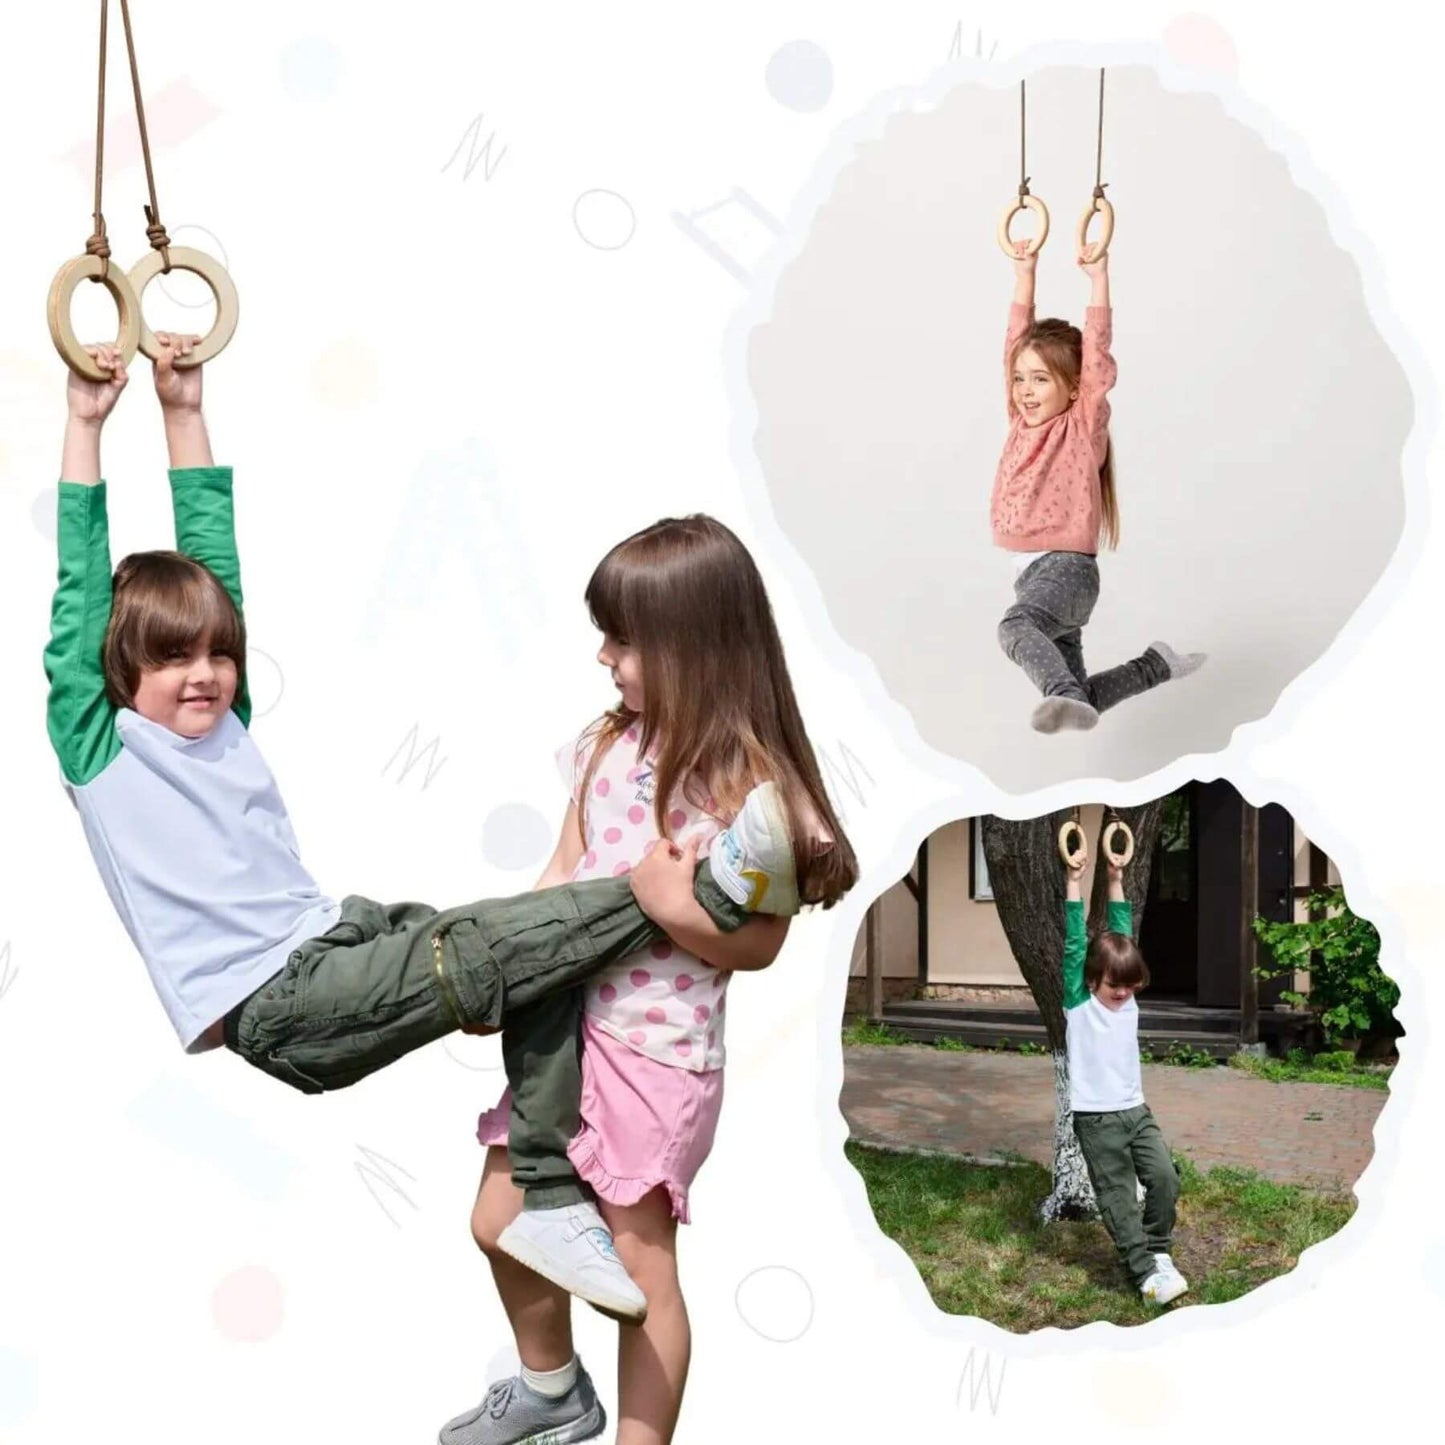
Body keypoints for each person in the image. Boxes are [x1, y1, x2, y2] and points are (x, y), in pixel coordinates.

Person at [45, 338, 801, 1325]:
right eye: (171, 658)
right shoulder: (103, 747)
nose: (204, 672)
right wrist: (87, 423)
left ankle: (547, 1239)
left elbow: (212, 555)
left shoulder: (225, 722)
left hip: (332, 933)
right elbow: (77, 594)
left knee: (516, 943)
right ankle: (695, 891)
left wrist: (182, 407)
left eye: (217, 653)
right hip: (275, 1005)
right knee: (501, 945)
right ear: (114, 673)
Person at [444, 516, 858, 1444]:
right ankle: (552, 1389)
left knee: (637, 1274)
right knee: (497, 1216)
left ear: (694, 646)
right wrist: (501, 967)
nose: (604, 656)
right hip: (561, 1033)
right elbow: (564, 866)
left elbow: (759, 944)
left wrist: (671, 908)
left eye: (623, 639)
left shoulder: (747, 786)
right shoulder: (605, 744)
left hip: (653, 1055)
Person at [993, 241, 1206, 733]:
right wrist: (1025, 273)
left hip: (1064, 570)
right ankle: (1155, 665)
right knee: (1082, 699)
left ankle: (1062, 694)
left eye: (1040, 379)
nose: (1025, 390)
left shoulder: (1080, 426)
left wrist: (1098, 279)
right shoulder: (1019, 421)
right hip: (1039, 577)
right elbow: (1014, 344)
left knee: (1016, 627)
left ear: (1072, 388)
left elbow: (1097, 360)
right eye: (1020, 379)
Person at [1063, 833, 1188, 1305]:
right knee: (1117, 1196)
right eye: (1115, 986)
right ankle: (1144, 1276)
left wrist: (1115, 877)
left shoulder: (1128, 1001)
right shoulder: (1080, 1003)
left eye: (1131, 986)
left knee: (1165, 1178)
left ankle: (1158, 1251)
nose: (1123, 994)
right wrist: (1074, 882)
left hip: (1135, 1110)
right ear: (1092, 980)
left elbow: (1123, 933)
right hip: (1096, 1119)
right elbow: (1076, 942)